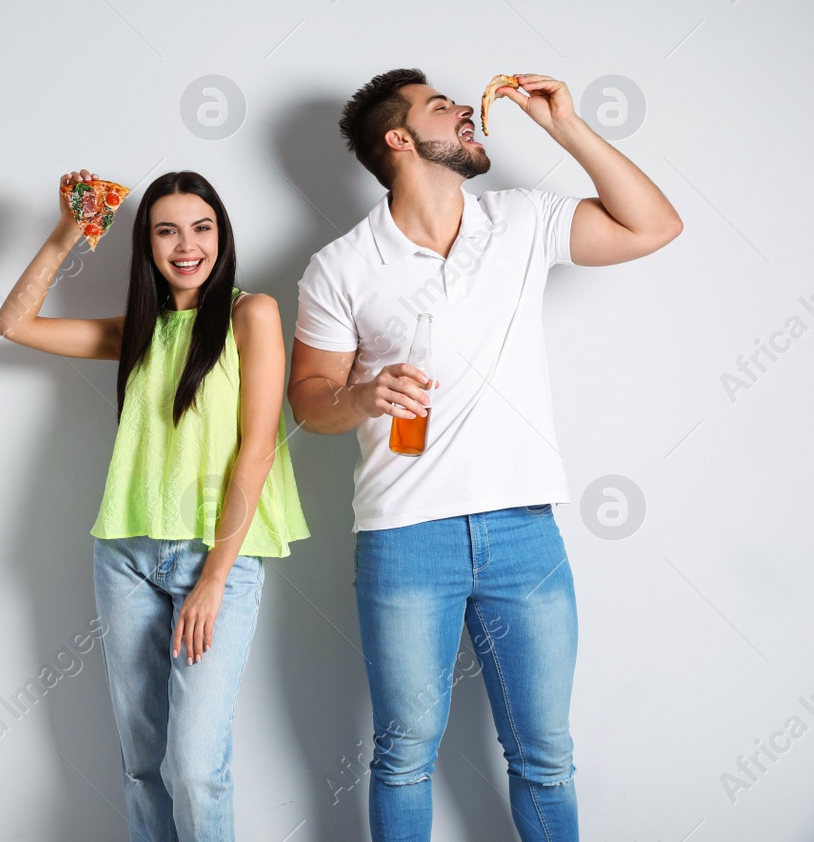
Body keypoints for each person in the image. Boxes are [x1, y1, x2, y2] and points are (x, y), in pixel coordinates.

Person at [286, 70, 682, 841]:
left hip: (524, 532)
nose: (466, 109)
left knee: (546, 754)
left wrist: (564, 126)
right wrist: (363, 397)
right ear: (400, 141)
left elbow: (654, 226)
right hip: (405, 539)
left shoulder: (522, 219)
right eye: (442, 107)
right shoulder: (341, 265)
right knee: (403, 754)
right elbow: (308, 398)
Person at [0, 169, 309, 841]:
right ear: (147, 245)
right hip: (126, 554)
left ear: (221, 234)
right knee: (142, 764)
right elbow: (13, 323)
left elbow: (257, 450)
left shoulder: (253, 313)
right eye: (166, 230)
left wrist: (215, 579)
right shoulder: (136, 328)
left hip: (213, 555)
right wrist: (67, 232)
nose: (186, 244)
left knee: (194, 766)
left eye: (202, 227)